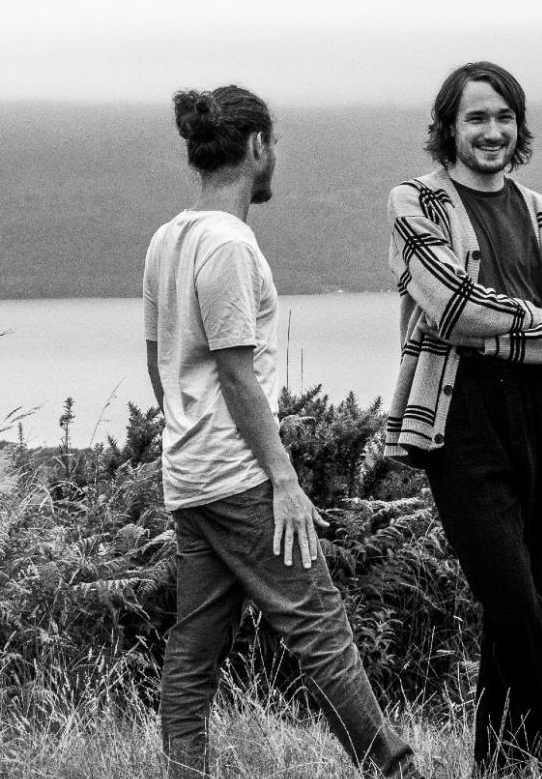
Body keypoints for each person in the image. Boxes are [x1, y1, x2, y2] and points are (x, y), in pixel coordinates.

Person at [144, 84, 423, 779]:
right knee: (319, 627)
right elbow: (238, 374)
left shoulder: (168, 239)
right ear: (257, 146)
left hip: (190, 476)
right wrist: (284, 480)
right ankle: (391, 768)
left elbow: (160, 362)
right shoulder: (229, 244)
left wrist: (185, 435)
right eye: (275, 144)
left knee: (194, 648)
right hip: (240, 477)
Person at [383, 61, 542, 776]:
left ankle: (501, 762)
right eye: (477, 117)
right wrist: (534, 324)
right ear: (449, 127)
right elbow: (451, 307)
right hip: (461, 412)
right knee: (510, 600)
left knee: (534, 597)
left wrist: (496, 328)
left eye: (504, 117)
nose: (492, 131)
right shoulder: (415, 202)